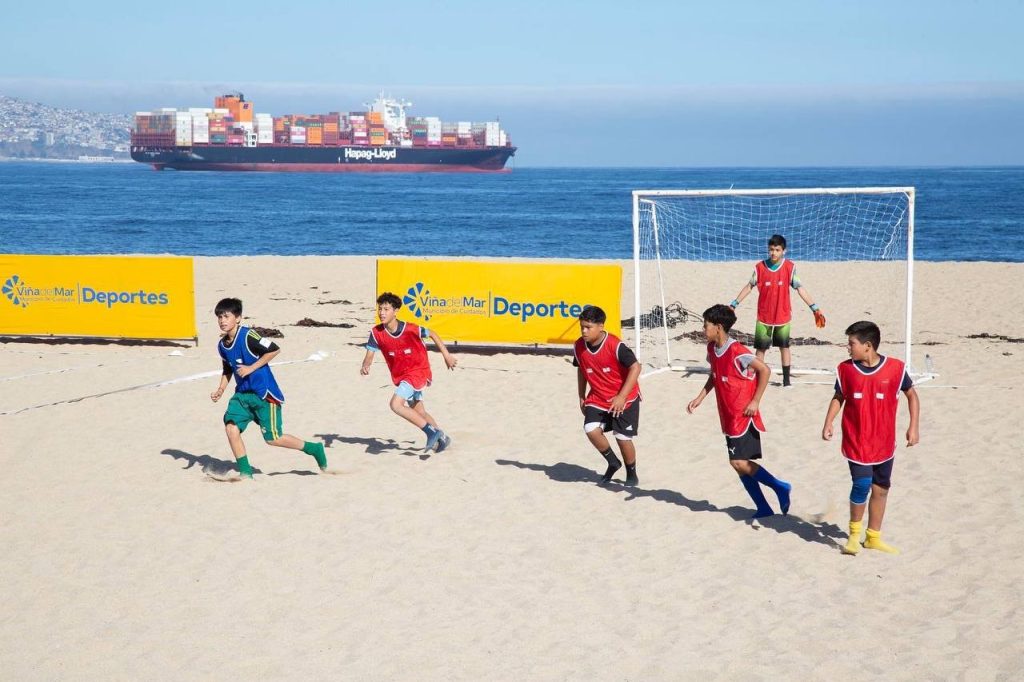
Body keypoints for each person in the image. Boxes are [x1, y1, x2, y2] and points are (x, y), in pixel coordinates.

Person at [822, 321, 920, 555]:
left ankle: (873, 536)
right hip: (856, 440)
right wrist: (828, 421)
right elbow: (839, 396)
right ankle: (854, 535)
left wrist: (913, 426)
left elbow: (912, 395)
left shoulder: (895, 369)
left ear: (867, 346)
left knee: (881, 488)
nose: (848, 348)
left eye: (851, 344)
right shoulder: (845, 369)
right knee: (862, 484)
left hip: (884, 442)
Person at [687, 304, 791, 518]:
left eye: (705, 325)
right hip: (727, 414)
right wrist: (700, 397)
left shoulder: (737, 351)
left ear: (718, 327)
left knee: (738, 462)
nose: (702, 329)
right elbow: (714, 375)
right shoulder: (711, 349)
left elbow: (765, 370)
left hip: (743, 415)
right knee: (738, 465)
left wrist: (755, 401)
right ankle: (763, 507)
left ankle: (780, 486)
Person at [210, 297, 327, 479]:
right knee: (231, 428)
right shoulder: (222, 345)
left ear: (238, 318)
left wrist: (251, 368)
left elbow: (274, 349)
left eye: (226, 316)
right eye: (219, 317)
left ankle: (314, 449)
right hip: (242, 396)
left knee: (273, 439)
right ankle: (246, 473)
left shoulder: (248, 335)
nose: (222, 321)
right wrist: (220, 389)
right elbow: (227, 369)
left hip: (264, 395)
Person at [360, 292, 457, 452]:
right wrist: (366, 365)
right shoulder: (376, 333)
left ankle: (431, 432)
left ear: (396, 311)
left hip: (418, 371)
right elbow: (370, 354)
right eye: (380, 309)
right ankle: (442, 438)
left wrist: (446, 355)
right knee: (420, 413)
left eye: (386, 309)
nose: (382, 313)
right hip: (401, 375)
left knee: (395, 404)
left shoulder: (410, 329)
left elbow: (432, 333)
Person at [729, 234, 826, 387]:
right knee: (761, 350)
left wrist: (814, 308)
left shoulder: (790, 268)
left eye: (777, 250)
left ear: (784, 251)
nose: (773, 253)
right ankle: (757, 379)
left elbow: (800, 288)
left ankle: (786, 381)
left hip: (782, 316)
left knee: (784, 347)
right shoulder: (759, 267)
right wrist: (734, 304)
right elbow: (749, 287)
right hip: (764, 316)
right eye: (771, 250)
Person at [573, 305, 641, 486]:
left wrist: (622, 396)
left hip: (625, 397)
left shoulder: (615, 345)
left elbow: (636, 367)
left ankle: (631, 473)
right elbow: (581, 368)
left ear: (601, 326)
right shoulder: (578, 346)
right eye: (582, 327)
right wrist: (581, 395)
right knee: (590, 429)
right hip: (598, 397)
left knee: (622, 437)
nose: (584, 331)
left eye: (588, 327)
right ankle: (613, 462)